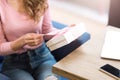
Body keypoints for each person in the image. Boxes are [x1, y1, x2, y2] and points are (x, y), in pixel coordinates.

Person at [0, 0, 65, 80]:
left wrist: (65, 32)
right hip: (14, 64)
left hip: (43, 57)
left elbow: (47, 30)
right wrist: (21, 42)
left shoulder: (41, 1)